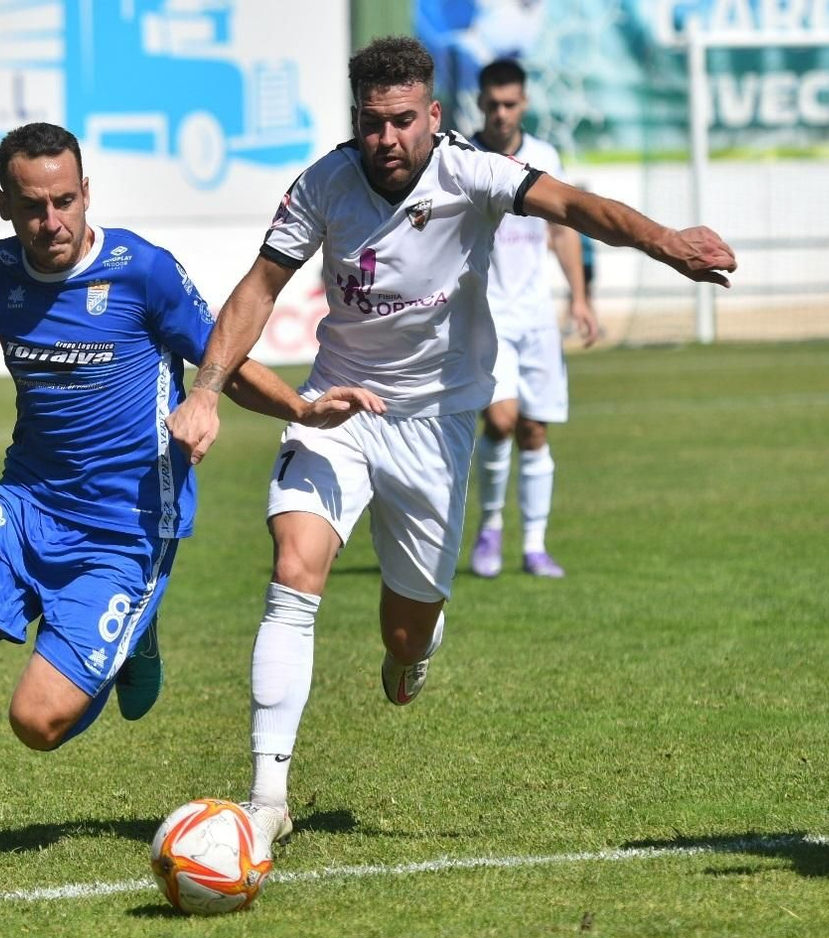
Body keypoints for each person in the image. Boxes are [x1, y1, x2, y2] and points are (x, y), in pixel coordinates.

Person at [166, 36, 735, 850]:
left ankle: (412, 653)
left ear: (432, 116)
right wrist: (207, 391)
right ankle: (267, 798)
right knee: (294, 569)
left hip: (436, 427)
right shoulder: (323, 185)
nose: (387, 139)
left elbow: (576, 207)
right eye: (372, 124)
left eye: (403, 121)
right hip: (335, 410)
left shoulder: (470, 171)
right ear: (355, 122)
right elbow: (260, 288)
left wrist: (666, 242)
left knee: (405, 640)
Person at [0, 122, 381, 869]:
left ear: (86, 191)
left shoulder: (141, 272)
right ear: (5, 204)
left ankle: (134, 633)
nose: (52, 221)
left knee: (36, 723)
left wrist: (295, 408)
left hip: (124, 526)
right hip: (28, 501)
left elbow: (221, 355)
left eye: (65, 200)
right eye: (33, 206)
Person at [465, 59, 599, 580]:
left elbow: (563, 231)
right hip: (486, 315)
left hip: (536, 316)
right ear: (480, 103)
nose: (500, 113)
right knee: (499, 420)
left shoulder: (544, 157)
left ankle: (536, 545)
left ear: (523, 104)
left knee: (535, 430)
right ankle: (492, 527)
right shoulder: (463, 154)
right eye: (492, 104)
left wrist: (580, 299)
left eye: (510, 104)